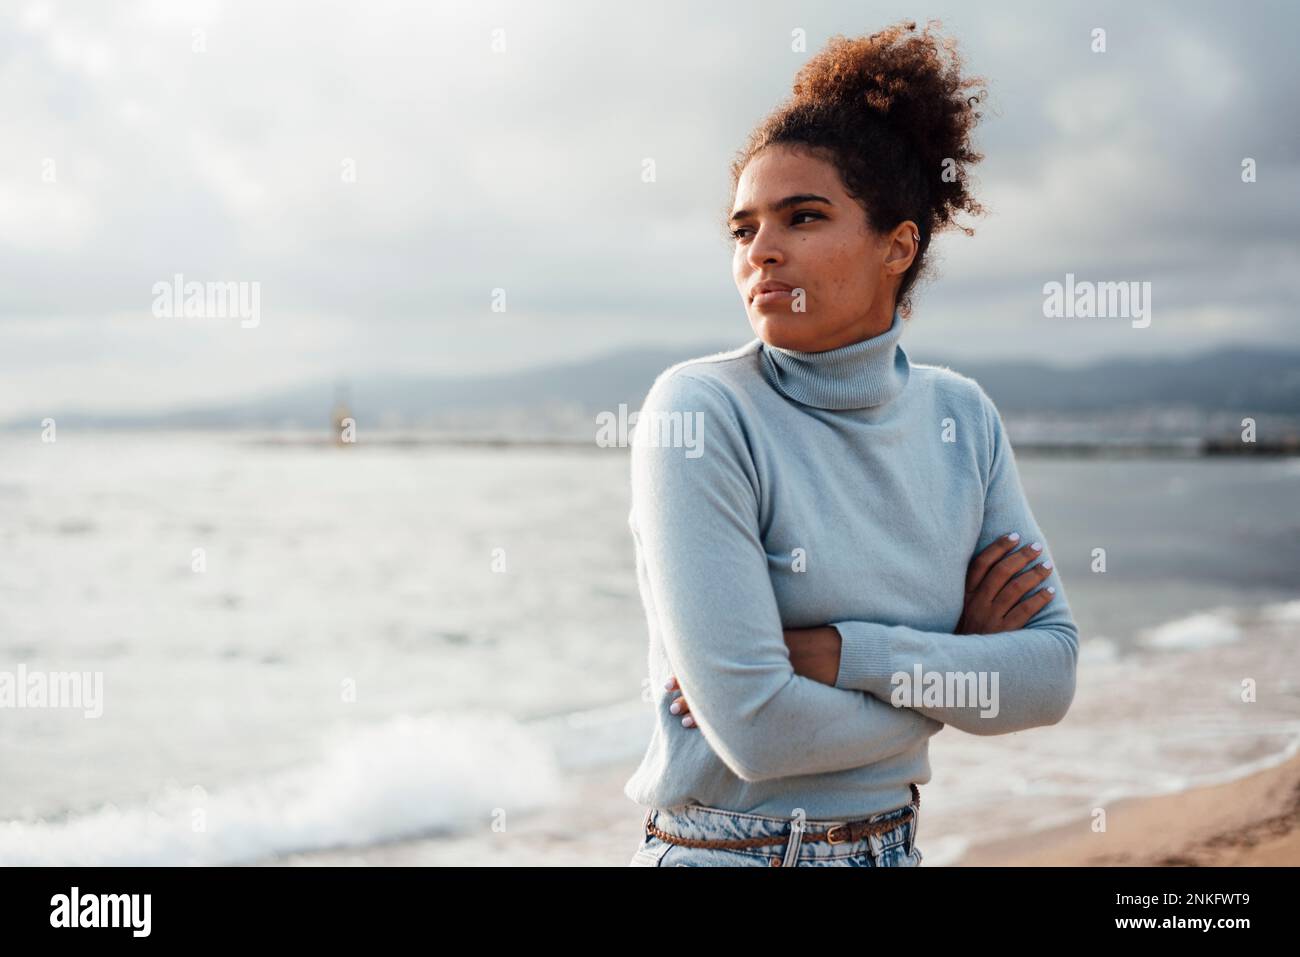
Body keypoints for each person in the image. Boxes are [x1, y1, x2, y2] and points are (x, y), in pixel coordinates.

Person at [624, 20, 1079, 867]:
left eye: (802, 217)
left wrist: (845, 655)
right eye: (741, 228)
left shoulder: (963, 417)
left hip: (896, 845)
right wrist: (958, 673)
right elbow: (759, 732)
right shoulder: (701, 411)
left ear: (897, 246)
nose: (761, 251)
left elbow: (1049, 676)